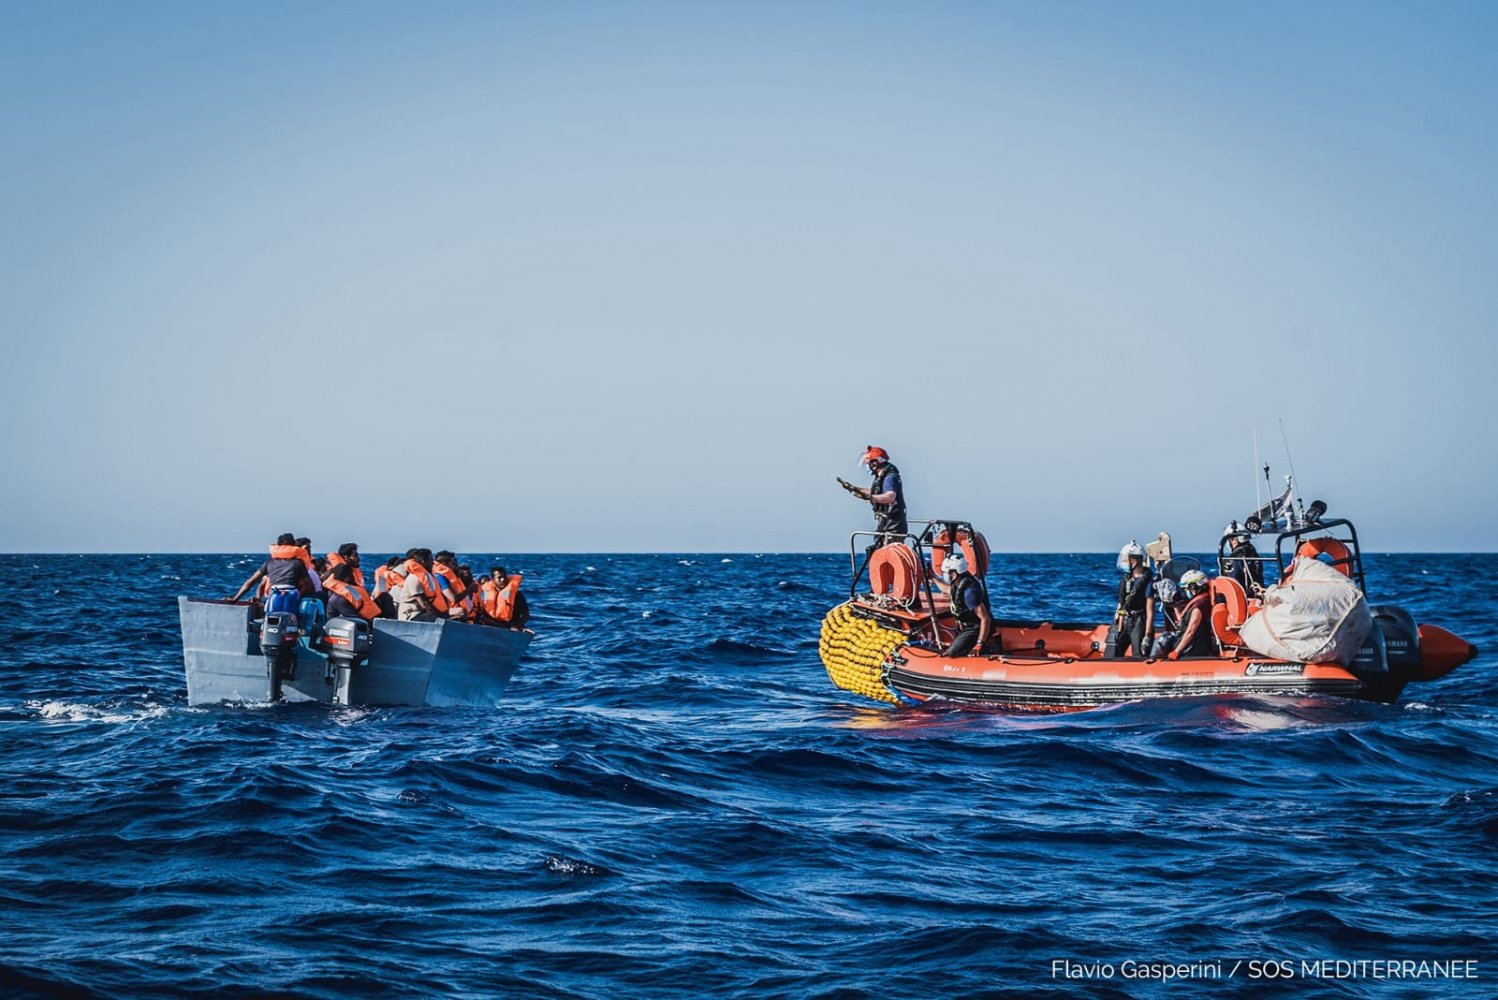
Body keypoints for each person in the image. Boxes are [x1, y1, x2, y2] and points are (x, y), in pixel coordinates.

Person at [838, 445, 908, 546]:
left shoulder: (890, 477)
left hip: (893, 526)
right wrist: (856, 490)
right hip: (885, 524)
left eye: (868, 463)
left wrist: (870, 497)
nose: (868, 467)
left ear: (875, 463)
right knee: (875, 547)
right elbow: (876, 492)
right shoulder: (882, 476)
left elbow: (890, 496)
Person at [229, 532, 313, 601]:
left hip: (273, 594)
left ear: (278, 546)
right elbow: (309, 585)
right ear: (294, 546)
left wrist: (235, 598)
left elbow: (251, 581)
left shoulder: (269, 563)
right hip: (292, 595)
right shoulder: (298, 563)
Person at [940, 551, 991, 657]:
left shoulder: (969, 593)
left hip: (974, 627)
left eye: (946, 573)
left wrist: (979, 644)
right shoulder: (958, 583)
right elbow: (948, 590)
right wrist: (932, 578)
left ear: (954, 574)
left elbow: (985, 618)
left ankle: (986, 649)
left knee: (952, 653)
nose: (944, 575)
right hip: (965, 624)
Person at [1113, 541, 1155, 657]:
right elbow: (1122, 604)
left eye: (1128, 559)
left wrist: (1147, 635)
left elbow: (1150, 612)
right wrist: (1120, 628)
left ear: (1136, 560)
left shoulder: (1148, 583)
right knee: (1116, 651)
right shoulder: (1126, 580)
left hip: (1139, 621)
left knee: (1138, 653)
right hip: (1126, 620)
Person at [395, 548, 459, 621]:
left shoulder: (428, 578)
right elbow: (424, 604)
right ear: (423, 562)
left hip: (423, 613)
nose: (433, 563)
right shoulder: (414, 578)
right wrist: (443, 617)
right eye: (431, 560)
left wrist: (445, 615)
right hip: (411, 614)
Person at [1166, 569, 1216, 660]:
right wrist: (1175, 606)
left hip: (1194, 649)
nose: (1186, 592)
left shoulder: (1199, 607)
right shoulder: (1199, 602)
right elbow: (1183, 622)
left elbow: (1190, 631)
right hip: (1193, 646)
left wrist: (1177, 651)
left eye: (1186, 589)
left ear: (1194, 587)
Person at [1220, 522, 1266, 595]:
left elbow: (1233, 583)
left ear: (1233, 540)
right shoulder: (1253, 555)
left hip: (1240, 596)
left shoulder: (1234, 560)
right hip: (1256, 594)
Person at [1148, 578, 1188, 657]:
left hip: (1185, 634)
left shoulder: (1186, 602)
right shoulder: (1168, 606)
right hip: (1176, 630)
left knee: (1164, 640)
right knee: (1162, 638)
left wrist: (1176, 606)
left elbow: (1183, 624)